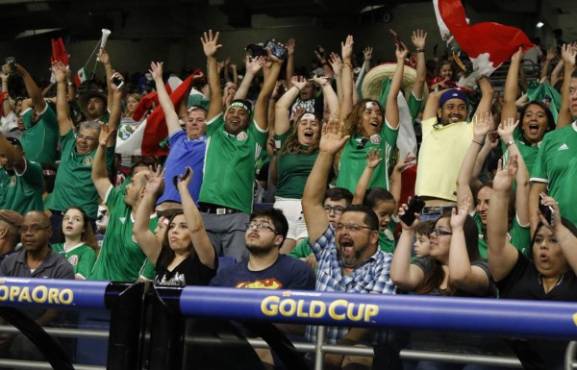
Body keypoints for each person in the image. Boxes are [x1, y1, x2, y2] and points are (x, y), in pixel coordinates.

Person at [302, 119, 395, 369]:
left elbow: (373, 315)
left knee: (359, 355)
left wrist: (341, 346)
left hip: (362, 358)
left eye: (354, 228)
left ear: (374, 236)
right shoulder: (328, 252)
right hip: (315, 355)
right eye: (341, 227)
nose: (343, 232)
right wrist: (325, 154)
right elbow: (311, 202)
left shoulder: (386, 264)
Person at [198, 30, 282, 261]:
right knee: (201, 273)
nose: (235, 115)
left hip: (238, 217)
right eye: (231, 111)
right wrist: (211, 58)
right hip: (204, 214)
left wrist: (275, 67)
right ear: (224, 115)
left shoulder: (254, 139)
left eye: (242, 113)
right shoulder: (215, 132)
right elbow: (216, 92)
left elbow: (264, 98)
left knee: (236, 272)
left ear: (249, 120)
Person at [488, 156, 577, 370]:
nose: (543, 246)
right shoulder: (519, 272)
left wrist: (559, 228)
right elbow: (497, 242)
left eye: (553, 240)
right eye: (538, 240)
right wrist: (500, 193)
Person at [45, 62, 118, 242]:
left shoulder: (102, 154)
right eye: (81, 136)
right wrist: (61, 82)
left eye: (89, 139)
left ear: (98, 141)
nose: (83, 141)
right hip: (57, 216)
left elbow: (114, 122)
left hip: (84, 219)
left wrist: (117, 94)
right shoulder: (70, 141)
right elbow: (63, 115)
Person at [271, 74, 338, 253]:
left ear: (320, 129)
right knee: (280, 260)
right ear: (297, 127)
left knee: (308, 260)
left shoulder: (325, 148)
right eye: (304, 123)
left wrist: (326, 86)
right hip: (283, 208)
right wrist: (297, 88)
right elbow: (281, 107)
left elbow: (337, 114)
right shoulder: (285, 143)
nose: (308, 126)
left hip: (313, 209)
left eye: (314, 124)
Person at [0, 211, 74, 361]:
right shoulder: (9, 263)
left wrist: (20, 331)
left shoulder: (62, 267)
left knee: (25, 342)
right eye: (24, 229)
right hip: (11, 329)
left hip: (46, 333)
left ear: (49, 232)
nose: (28, 233)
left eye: (35, 228)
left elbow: (54, 313)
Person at [335, 36, 406, 193]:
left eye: (379, 113)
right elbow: (347, 95)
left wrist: (401, 61)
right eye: (368, 112)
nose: (375, 115)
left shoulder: (387, 138)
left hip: (374, 209)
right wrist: (346, 60)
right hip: (344, 207)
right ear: (358, 118)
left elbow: (392, 96)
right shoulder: (347, 138)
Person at [89, 122, 156, 282]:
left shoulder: (157, 227)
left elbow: (145, 279)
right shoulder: (119, 202)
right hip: (95, 285)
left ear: (143, 192)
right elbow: (98, 177)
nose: (126, 186)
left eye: (132, 183)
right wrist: (102, 146)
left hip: (123, 296)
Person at [415, 77, 493, 206]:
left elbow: (488, 93)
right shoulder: (429, 129)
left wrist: (478, 70)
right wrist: (459, 88)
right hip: (423, 206)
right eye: (450, 107)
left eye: (462, 108)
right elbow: (433, 97)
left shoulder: (472, 129)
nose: (455, 112)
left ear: (467, 112)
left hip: (452, 206)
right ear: (439, 112)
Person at [133, 167, 217, 287]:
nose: (174, 231)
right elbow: (139, 230)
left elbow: (196, 228)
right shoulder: (161, 257)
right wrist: (150, 194)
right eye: (171, 227)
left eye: (183, 226)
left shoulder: (203, 259)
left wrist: (183, 189)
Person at [149, 61, 207, 208]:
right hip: (161, 205)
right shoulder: (178, 139)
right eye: (191, 120)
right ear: (185, 122)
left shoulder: (210, 143)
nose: (194, 123)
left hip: (188, 208)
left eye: (200, 120)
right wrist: (158, 79)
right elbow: (168, 108)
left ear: (208, 124)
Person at [529, 70, 577, 231]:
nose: (574, 96)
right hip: (560, 238)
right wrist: (536, 235)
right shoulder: (552, 139)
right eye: (571, 91)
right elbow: (536, 193)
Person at [501, 48, 555, 172]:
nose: (533, 118)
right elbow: (509, 101)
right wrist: (515, 61)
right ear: (522, 125)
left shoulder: (553, 147)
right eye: (528, 115)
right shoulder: (510, 139)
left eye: (540, 115)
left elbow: (564, 110)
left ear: (548, 125)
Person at [0, 134, 43, 214]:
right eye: (2, 155)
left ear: (23, 154)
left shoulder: (34, 169)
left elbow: (15, 160)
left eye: (12, 152)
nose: (7, 157)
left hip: (28, 224)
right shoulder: (1, 174)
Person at [51, 207, 98, 280]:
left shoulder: (87, 252)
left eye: (77, 219)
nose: (70, 221)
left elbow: (81, 279)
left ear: (84, 228)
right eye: (66, 218)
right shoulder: (51, 248)